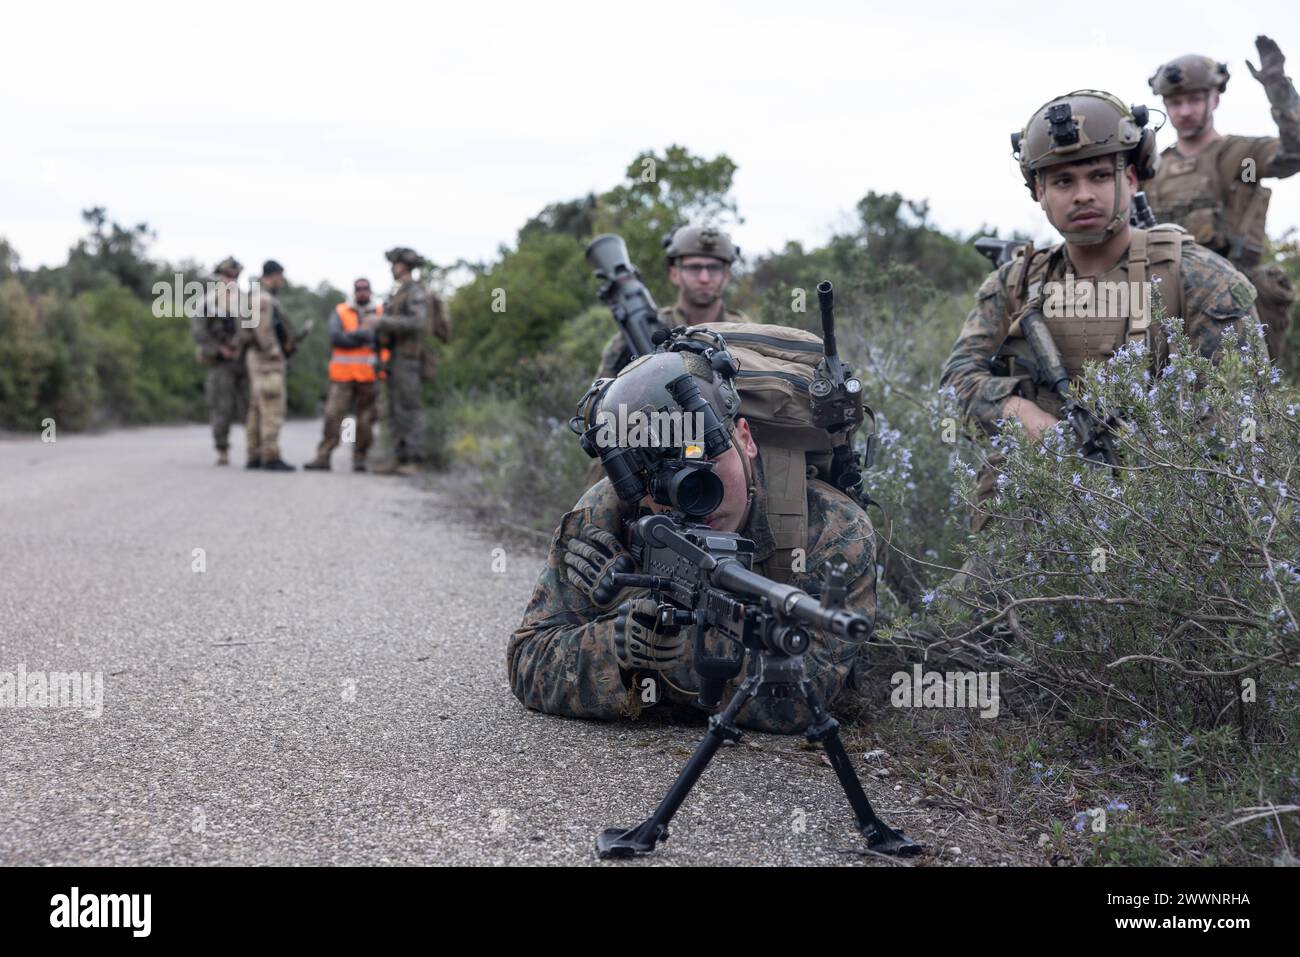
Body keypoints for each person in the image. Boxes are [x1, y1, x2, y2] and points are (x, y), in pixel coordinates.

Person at [507, 348, 875, 734]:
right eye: (668, 479)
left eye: (707, 463)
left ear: (746, 439)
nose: (697, 495)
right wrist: (618, 644)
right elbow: (528, 661)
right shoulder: (611, 509)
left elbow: (801, 699)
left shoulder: (833, 525)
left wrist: (677, 648)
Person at [940, 90, 1260, 532]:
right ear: (1039, 192)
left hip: (1169, 526)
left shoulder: (1201, 279)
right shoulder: (1013, 283)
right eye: (1063, 181)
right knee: (972, 599)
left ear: (1130, 179)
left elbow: (1240, 411)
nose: (1082, 195)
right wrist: (1026, 416)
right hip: (1032, 523)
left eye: (1098, 176)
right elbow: (957, 381)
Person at [1143, 36, 1300, 359]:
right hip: (1172, 302)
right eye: (1174, 102)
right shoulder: (1154, 168)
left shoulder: (1242, 156)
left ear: (1215, 98)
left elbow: (1294, 152)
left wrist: (1278, 89)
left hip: (1237, 300)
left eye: (1194, 100)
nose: (1184, 111)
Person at [594, 225, 751, 381]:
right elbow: (597, 400)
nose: (705, 278)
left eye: (714, 268)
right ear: (674, 274)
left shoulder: (747, 334)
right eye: (694, 268)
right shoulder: (646, 330)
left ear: (727, 276)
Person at [304, 278, 383, 471]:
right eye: (359, 289)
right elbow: (336, 338)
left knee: (363, 421)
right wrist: (363, 335)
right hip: (342, 376)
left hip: (368, 376)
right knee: (334, 416)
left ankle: (359, 458)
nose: (362, 292)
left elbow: (381, 340)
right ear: (354, 291)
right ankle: (324, 456)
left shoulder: (380, 312)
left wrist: (354, 336)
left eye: (365, 289)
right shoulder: (341, 311)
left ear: (370, 291)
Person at [371, 247, 434, 476]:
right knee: (395, 409)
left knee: (410, 408)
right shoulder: (400, 292)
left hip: (409, 358)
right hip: (396, 359)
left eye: (395, 264)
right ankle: (400, 458)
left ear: (404, 266)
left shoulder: (415, 291)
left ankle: (414, 459)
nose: (391, 269)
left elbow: (418, 322)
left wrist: (383, 322)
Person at [191, 256, 249, 465]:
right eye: (228, 276)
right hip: (220, 361)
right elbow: (199, 332)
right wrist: (219, 349)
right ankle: (222, 449)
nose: (231, 280)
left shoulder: (246, 301)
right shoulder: (207, 302)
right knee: (220, 406)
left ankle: (254, 449)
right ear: (219, 276)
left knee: (250, 405)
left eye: (235, 276)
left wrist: (241, 344)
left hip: (244, 360)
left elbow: (254, 328)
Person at [242, 260, 297, 471]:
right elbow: (262, 331)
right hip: (267, 362)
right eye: (280, 277)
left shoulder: (255, 296)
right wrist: (275, 354)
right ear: (272, 276)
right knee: (272, 406)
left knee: (257, 408)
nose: (282, 282)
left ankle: (254, 455)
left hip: (257, 360)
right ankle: (270, 455)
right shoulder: (263, 299)